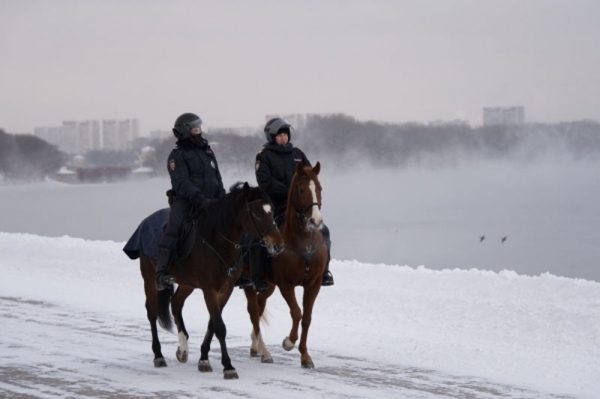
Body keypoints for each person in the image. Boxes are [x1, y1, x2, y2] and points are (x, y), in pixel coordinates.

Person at [251, 117, 334, 291]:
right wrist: (289, 191)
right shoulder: (264, 156)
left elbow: (311, 175)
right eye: (279, 135)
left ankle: (325, 271)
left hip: (300, 207)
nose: (283, 138)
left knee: (324, 231)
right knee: (258, 237)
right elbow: (265, 182)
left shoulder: (298, 154)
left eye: (285, 135)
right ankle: (258, 275)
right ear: (271, 137)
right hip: (275, 206)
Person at [155, 112, 226, 291]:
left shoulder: (207, 150)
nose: (199, 131)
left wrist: (222, 196)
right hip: (186, 201)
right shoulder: (176, 155)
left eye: (200, 128)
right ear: (185, 131)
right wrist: (200, 199)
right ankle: (161, 273)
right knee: (174, 227)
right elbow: (181, 183)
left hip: (212, 200)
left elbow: (216, 176)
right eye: (195, 128)